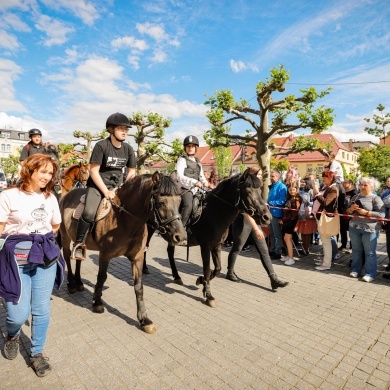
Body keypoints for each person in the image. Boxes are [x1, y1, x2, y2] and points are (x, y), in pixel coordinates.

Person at [0, 153, 64, 377]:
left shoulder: (50, 198)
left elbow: (55, 226)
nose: (47, 177)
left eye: (50, 173)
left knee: (41, 309)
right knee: (18, 314)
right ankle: (13, 335)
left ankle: (37, 353)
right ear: (30, 170)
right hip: (16, 262)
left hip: (45, 260)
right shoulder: (9, 196)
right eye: (43, 171)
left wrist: (38, 243)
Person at [72, 113, 136, 260]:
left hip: (118, 186)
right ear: (111, 129)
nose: (124, 131)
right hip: (98, 185)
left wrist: (124, 186)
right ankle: (79, 244)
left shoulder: (128, 149)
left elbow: (132, 171)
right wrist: (106, 191)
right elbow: (93, 171)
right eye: (120, 128)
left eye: (126, 128)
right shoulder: (101, 146)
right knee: (88, 212)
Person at [226, 167, 288, 289]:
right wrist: (256, 229)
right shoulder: (245, 189)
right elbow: (245, 212)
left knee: (264, 250)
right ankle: (229, 272)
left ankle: (273, 278)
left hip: (254, 221)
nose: (260, 176)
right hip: (243, 221)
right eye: (258, 174)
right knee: (237, 248)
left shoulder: (256, 187)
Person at [347, 177, 385, 282]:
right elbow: (348, 211)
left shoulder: (376, 198)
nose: (362, 187)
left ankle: (370, 273)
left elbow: (382, 214)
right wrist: (351, 209)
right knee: (356, 250)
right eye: (361, 185)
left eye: (365, 185)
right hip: (354, 227)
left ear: (372, 187)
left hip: (370, 229)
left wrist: (367, 213)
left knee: (370, 252)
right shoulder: (355, 196)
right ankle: (355, 270)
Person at [176, 135, 209, 228]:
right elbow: (180, 176)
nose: (190, 148)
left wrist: (205, 182)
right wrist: (194, 182)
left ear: (196, 148)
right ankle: (180, 229)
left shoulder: (198, 161)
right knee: (188, 206)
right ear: (185, 148)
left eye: (192, 146)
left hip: (197, 189)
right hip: (184, 189)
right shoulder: (182, 160)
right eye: (188, 146)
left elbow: (201, 176)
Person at [313, 171, 339, 271]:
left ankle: (326, 264)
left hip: (327, 217)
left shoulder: (333, 189)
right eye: (323, 178)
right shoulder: (328, 187)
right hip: (323, 216)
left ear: (331, 178)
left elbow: (326, 203)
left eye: (325, 178)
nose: (324, 180)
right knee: (325, 241)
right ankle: (326, 262)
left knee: (326, 242)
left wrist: (316, 192)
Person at [279, 183, 302, 266]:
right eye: (290, 190)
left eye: (293, 189)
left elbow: (294, 213)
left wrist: (284, 220)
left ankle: (291, 258)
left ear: (296, 190)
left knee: (287, 238)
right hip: (287, 221)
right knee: (285, 238)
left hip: (291, 221)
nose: (291, 191)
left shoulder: (297, 199)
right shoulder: (289, 198)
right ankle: (288, 255)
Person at [267, 170, 287, 259]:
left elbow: (282, 200)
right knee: (271, 233)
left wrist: (270, 203)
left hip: (276, 213)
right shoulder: (272, 187)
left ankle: (278, 251)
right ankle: (272, 249)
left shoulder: (282, 187)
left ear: (278, 177)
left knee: (277, 234)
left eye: (273, 176)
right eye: (270, 176)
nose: (271, 178)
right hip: (270, 212)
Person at [295, 178, 317, 254]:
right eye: (301, 182)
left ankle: (306, 249)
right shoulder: (299, 191)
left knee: (307, 232)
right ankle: (303, 248)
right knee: (302, 232)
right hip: (301, 213)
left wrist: (306, 202)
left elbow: (313, 202)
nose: (302, 183)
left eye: (304, 182)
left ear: (307, 183)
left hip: (307, 213)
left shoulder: (310, 191)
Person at [339, 179, 358, 253]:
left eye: (345, 183)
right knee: (342, 230)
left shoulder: (354, 192)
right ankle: (343, 244)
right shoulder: (342, 191)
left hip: (350, 214)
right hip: (343, 213)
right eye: (343, 182)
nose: (343, 184)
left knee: (351, 231)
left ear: (350, 183)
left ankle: (351, 246)